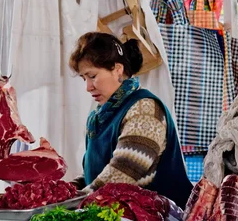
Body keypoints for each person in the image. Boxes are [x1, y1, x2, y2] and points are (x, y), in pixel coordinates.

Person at [69, 32, 193, 209]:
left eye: (93, 76)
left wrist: (73, 201)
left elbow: (124, 172)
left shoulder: (145, 109)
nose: (88, 87)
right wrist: (67, 191)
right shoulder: (100, 115)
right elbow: (96, 173)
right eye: (84, 79)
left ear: (117, 70)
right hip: (114, 214)